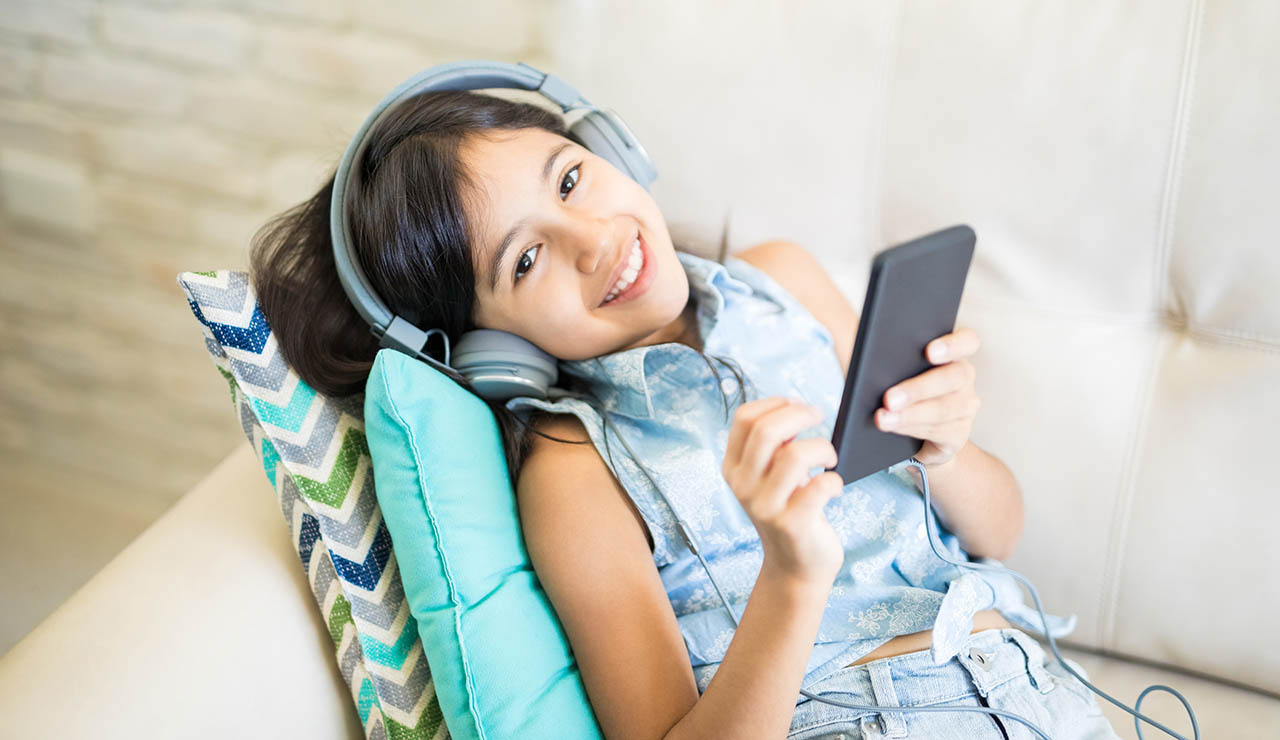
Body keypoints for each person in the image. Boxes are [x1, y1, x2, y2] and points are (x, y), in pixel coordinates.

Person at [250, 90, 1120, 740]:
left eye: (571, 179)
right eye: (525, 262)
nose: (594, 239)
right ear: (490, 350)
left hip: (1039, 691)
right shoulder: (574, 473)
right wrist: (790, 575)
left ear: (607, 146)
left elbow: (1001, 531)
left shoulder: (784, 282)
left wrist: (945, 448)